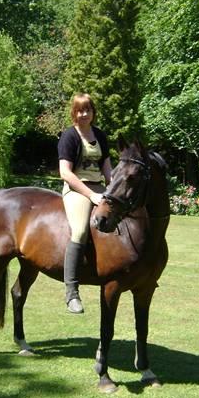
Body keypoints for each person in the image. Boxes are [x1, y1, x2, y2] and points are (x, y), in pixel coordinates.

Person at [58, 93, 112, 314]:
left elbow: (107, 167)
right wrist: (91, 195)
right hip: (77, 189)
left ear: (93, 112)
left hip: (100, 188)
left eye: (87, 110)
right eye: (80, 110)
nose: (84, 114)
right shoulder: (69, 136)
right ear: (74, 112)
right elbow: (65, 173)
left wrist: (113, 188)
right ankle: (71, 293)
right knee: (80, 231)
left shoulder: (99, 135)